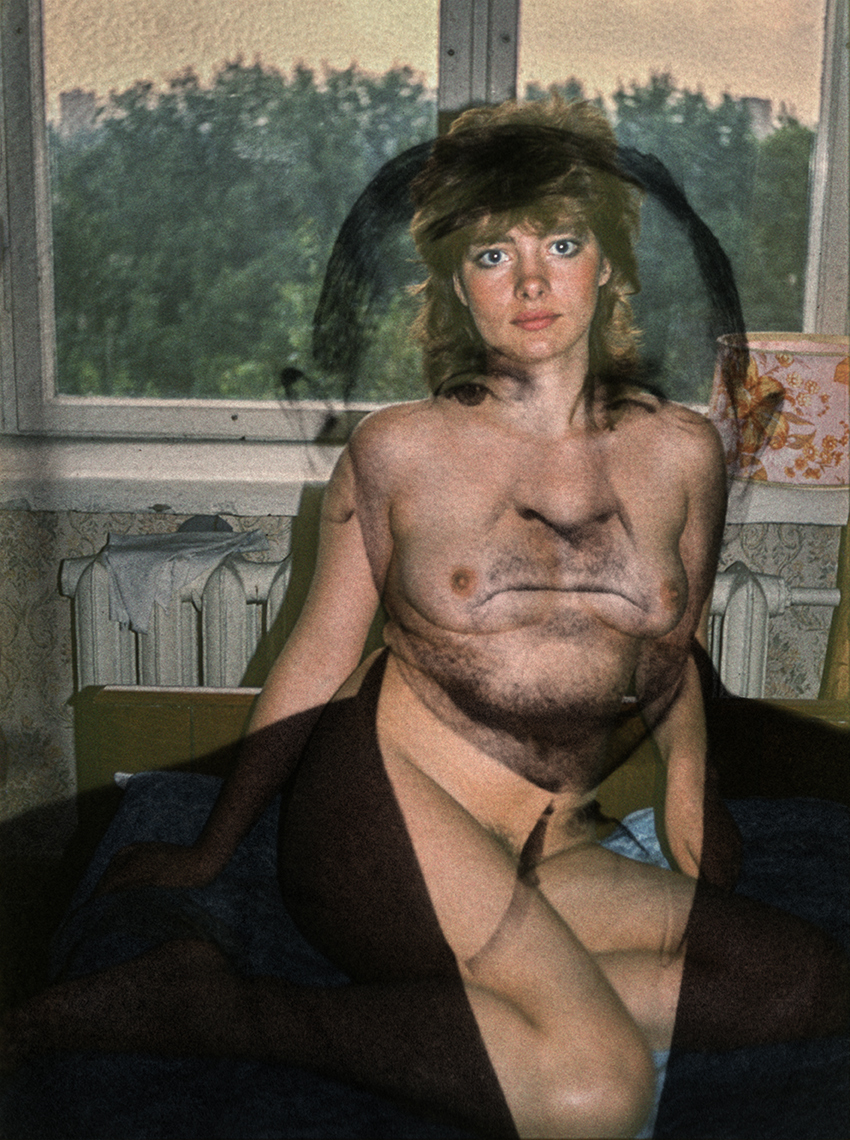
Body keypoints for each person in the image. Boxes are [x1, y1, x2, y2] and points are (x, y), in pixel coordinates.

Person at [6, 98, 847, 1139]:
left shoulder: (684, 453)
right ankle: (221, 1009)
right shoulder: (395, 451)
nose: (531, 283)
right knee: (595, 1092)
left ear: (608, 266)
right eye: (493, 254)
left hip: (555, 835)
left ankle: (512, 1008)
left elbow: (674, 650)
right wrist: (212, 848)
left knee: (801, 985)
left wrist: (689, 793)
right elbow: (317, 659)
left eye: (562, 244)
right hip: (390, 809)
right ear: (455, 282)